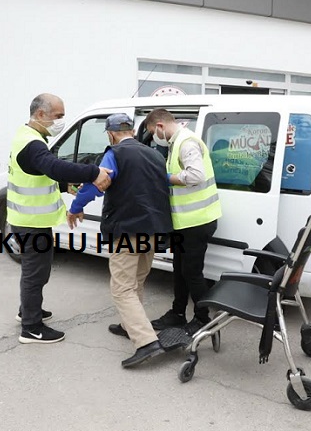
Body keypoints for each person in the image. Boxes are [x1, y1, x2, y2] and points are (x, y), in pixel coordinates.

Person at [66, 113, 173, 367]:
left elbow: (97, 183)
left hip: (127, 230)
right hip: (153, 229)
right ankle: (129, 325)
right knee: (136, 279)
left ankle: (146, 342)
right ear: (133, 132)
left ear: (111, 133)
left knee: (122, 287)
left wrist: (75, 207)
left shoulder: (115, 153)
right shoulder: (156, 154)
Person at [8, 93, 112, 345]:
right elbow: (53, 167)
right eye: (59, 116)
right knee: (35, 273)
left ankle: (28, 311)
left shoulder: (28, 136)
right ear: (41, 114)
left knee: (36, 271)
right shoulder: (33, 144)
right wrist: (94, 171)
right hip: (30, 223)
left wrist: (66, 186)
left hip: (29, 220)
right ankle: (31, 328)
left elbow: (41, 174)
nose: (61, 121)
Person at [144, 109, 222, 336]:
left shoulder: (186, 142)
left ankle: (203, 320)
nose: (154, 138)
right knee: (179, 269)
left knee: (192, 272)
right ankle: (177, 314)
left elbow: (195, 175)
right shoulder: (176, 143)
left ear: (160, 126)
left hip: (197, 221)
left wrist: (166, 179)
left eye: (152, 133)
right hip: (184, 222)